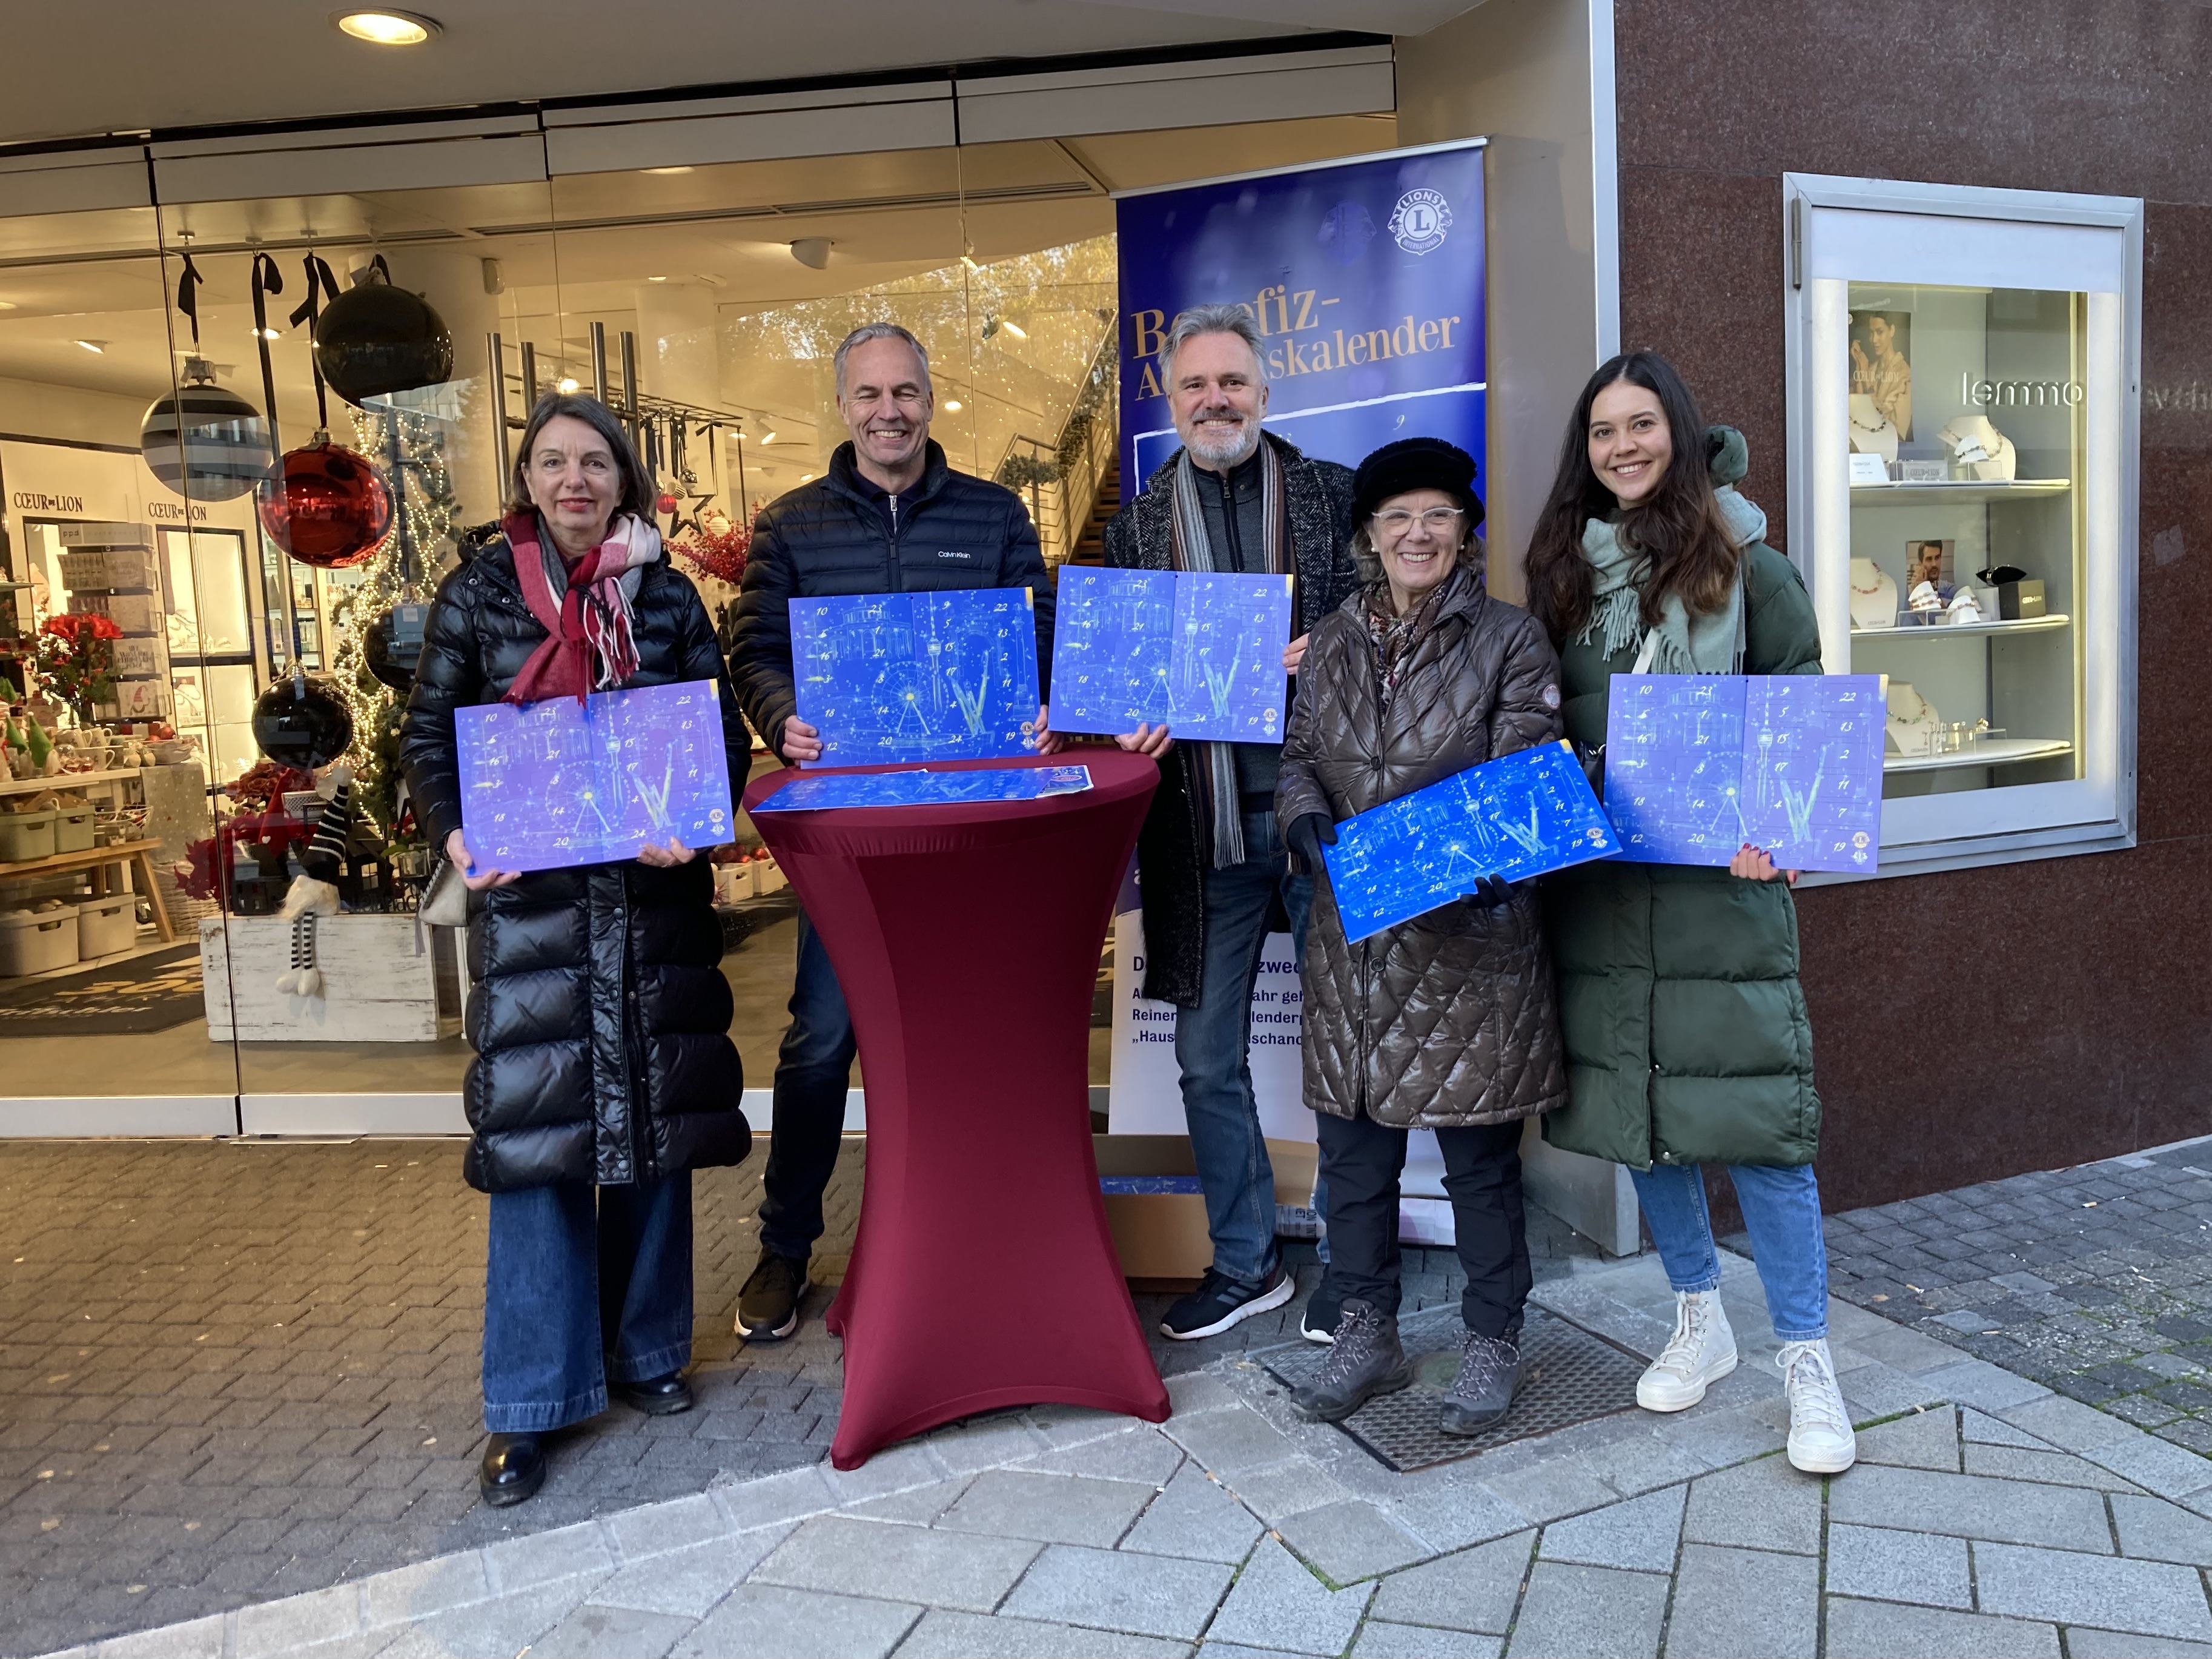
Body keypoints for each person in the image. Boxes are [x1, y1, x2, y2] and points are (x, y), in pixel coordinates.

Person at [400, 392, 752, 1506]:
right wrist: (456, 827)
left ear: (624, 479)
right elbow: (430, 728)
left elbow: (718, 736)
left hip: (649, 904)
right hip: (534, 911)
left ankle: (647, 1350)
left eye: (593, 462)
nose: (573, 481)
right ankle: (530, 1399)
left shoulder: (666, 594)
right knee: (538, 1147)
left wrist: (693, 817)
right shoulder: (482, 590)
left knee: (650, 1125)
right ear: (527, 477)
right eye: (552, 462)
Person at [1525, 349, 1855, 1475]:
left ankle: (1806, 1357)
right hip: (1609, 892)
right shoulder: (1567, 573)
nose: (1621, 446)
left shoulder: (1749, 563)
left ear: (1681, 430)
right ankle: (1698, 1314)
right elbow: (1537, 722)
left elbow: (1803, 706)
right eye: (1602, 430)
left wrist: (1792, 830)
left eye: (1641, 424)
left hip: (1725, 890)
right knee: (1646, 1111)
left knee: (1759, 1123)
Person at [725, 321, 1058, 1342]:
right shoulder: (789, 525)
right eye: (869, 394)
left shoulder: (995, 515)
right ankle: (786, 1244)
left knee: (971, 1036)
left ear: (929, 400)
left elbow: (1038, 631)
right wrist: (781, 714)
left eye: (905, 392)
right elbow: (753, 643)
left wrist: (1041, 699)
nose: (888, 411)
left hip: (969, 837)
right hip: (850, 839)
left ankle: (986, 1235)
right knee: (823, 1036)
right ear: (843, 407)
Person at [1273, 438, 1568, 1430]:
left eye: (1437, 514)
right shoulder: (1334, 639)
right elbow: (1301, 755)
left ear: (1462, 530)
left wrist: (1475, 858)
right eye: (1397, 516)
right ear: (1369, 533)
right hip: (1351, 945)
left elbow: (1521, 770)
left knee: (1480, 1162)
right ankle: (1368, 1332)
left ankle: (1491, 1337)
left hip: (1467, 947)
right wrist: (1304, 819)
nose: (1416, 532)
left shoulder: (1509, 641)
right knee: (1354, 1160)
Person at [1105, 303, 1361, 1343]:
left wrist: (1330, 647)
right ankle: (1248, 1259)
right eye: (1196, 385)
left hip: (1320, 821)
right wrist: (1125, 717)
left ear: (1266, 391)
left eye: (1234, 382)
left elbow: (1412, 618)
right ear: (1169, 403)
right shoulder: (1130, 527)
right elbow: (1101, 681)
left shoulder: (1335, 497)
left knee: (1347, 1045)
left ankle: (1354, 1262)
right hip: (1197, 834)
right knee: (1205, 1059)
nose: (1217, 400)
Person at [1850, 313, 1912, 440]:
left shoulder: (1905, 374)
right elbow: (1857, 413)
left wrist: (1867, 382)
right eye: (1871, 333)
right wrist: (1859, 367)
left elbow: (1896, 431)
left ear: (1892, 331)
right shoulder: (1870, 368)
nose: (1874, 340)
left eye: (1879, 332)